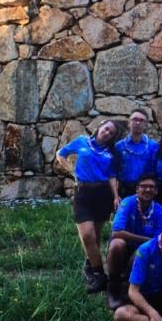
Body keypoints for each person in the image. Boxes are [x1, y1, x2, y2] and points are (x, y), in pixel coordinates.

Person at [56, 120, 121, 293]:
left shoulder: (111, 153)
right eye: (107, 128)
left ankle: (89, 264)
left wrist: (115, 196)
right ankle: (100, 274)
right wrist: (72, 171)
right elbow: (61, 154)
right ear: (100, 126)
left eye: (111, 133)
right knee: (87, 235)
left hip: (103, 195)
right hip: (83, 193)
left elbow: (112, 176)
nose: (107, 133)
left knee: (96, 235)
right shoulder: (81, 141)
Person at [106, 177, 162, 310]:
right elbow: (116, 232)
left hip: (144, 249)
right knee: (117, 244)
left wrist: (145, 244)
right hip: (126, 245)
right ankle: (113, 286)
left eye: (151, 187)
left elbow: (159, 239)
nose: (147, 189)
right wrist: (145, 240)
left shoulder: (160, 210)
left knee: (142, 252)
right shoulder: (127, 203)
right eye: (144, 186)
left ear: (156, 191)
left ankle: (128, 287)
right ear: (137, 189)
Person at [114, 109, 159, 198]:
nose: (138, 123)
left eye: (141, 120)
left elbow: (156, 169)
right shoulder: (119, 146)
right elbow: (113, 171)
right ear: (128, 123)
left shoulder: (153, 146)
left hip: (146, 190)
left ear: (146, 125)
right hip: (124, 190)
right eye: (134, 119)